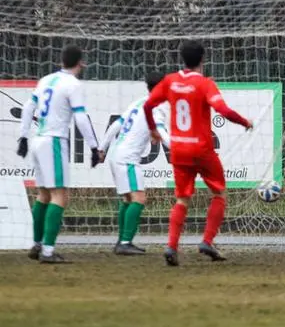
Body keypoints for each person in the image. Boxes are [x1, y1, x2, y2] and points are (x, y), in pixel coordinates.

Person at [143, 41, 253, 267]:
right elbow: (223, 110)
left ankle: (171, 246)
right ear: (203, 59)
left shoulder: (170, 81)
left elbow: (148, 106)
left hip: (179, 149)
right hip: (201, 148)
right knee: (220, 193)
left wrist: (153, 129)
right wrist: (245, 122)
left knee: (182, 198)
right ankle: (207, 241)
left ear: (182, 59)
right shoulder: (204, 84)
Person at [16, 45, 101, 263]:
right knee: (60, 196)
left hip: (38, 139)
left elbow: (27, 108)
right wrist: (93, 147)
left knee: (43, 195)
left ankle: (37, 245)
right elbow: (80, 118)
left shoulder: (46, 80)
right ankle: (48, 251)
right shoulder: (73, 84)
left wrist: (23, 137)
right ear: (81, 63)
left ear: (61, 61)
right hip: (54, 141)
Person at [98, 71, 170, 255]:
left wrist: (102, 148)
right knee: (139, 198)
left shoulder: (138, 102)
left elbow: (116, 125)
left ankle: (121, 241)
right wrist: (178, 149)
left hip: (116, 154)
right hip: (128, 158)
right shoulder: (157, 107)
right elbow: (161, 132)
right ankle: (125, 242)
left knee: (128, 198)